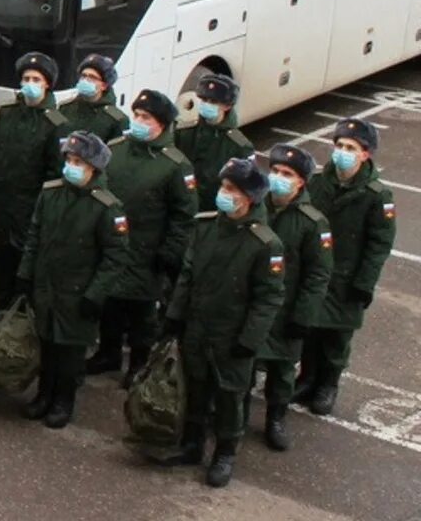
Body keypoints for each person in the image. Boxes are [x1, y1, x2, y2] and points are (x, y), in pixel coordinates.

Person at [156, 156, 286, 490]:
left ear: (249, 197)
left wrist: (250, 340)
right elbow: (188, 274)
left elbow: (268, 298)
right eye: (223, 186)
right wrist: (175, 314)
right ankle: (191, 444)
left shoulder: (265, 243)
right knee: (195, 388)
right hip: (198, 326)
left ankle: (225, 453)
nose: (223, 193)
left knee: (229, 396)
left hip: (232, 335)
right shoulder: (205, 226)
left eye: (231, 189)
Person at [16, 131, 131, 428]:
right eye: (69, 159)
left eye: (78, 161)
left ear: (94, 167)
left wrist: (95, 295)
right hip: (47, 286)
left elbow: (115, 258)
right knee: (46, 344)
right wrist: (26, 273)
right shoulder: (51, 193)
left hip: (78, 293)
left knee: (69, 352)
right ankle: (43, 394)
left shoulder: (108, 208)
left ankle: (63, 401)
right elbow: (34, 236)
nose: (71, 166)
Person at [90, 89, 196, 384]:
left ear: (161, 124)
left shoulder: (176, 165)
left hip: (148, 250)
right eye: (136, 115)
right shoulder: (116, 150)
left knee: (142, 314)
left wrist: (170, 252)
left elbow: (183, 216)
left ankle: (138, 363)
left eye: (145, 117)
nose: (137, 121)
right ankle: (108, 353)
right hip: (113, 245)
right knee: (109, 303)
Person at [296, 117, 398, 416]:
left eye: (350, 147)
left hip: (347, 277)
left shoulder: (377, 195)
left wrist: (364, 283)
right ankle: (306, 378)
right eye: (339, 145)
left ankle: (328, 385)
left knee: (337, 337)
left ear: (365, 154)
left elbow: (379, 244)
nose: (342, 151)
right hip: (315, 273)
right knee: (310, 330)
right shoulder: (317, 183)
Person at [0, 52, 71, 333]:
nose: (29, 83)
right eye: (26, 79)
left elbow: (56, 174)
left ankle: (19, 319)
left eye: (36, 79)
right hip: (3, 204)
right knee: (1, 262)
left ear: (47, 85)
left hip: (30, 208)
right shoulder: (8, 114)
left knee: (24, 266)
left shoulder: (56, 124)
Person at [253, 144, 331, 452]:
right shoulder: (255, 206)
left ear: (301, 182)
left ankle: (276, 418)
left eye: (287, 174)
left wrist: (303, 316)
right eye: (274, 171)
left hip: (288, 310)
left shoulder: (313, 224)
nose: (278, 178)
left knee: (282, 371)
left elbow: (317, 276)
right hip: (256, 305)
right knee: (243, 364)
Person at [176, 73, 254, 212]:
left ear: (227, 106)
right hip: (183, 209)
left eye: (213, 102)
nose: (206, 104)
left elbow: (245, 190)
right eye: (204, 99)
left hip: (212, 214)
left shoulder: (239, 146)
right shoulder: (184, 133)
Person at [63, 54, 129, 141]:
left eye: (92, 77)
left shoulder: (117, 118)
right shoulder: (64, 107)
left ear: (104, 86)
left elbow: (119, 149)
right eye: (83, 76)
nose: (85, 80)